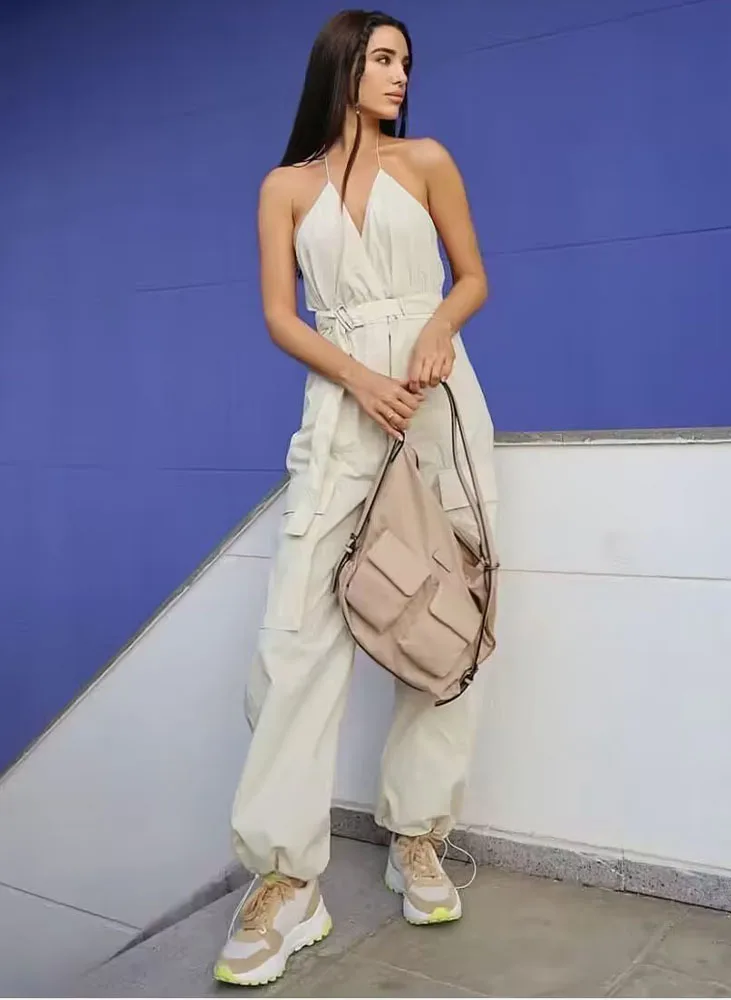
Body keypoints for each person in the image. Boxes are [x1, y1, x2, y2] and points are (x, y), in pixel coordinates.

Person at [214, 9, 497, 987]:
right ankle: (289, 880)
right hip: (343, 409)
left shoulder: (428, 161)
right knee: (296, 636)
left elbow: (472, 277)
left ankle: (416, 835)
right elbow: (278, 315)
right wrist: (360, 379)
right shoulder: (285, 187)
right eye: (381, 58)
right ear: (341, 65)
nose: (399, 74)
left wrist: (439, 329)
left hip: (437, 400)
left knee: (448, 612)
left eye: (405, 61)